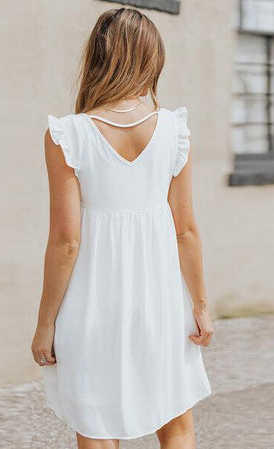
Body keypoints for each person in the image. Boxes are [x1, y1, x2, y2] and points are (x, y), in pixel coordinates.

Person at [31, 7, 214, 449]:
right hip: (162, 302)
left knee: (97, 428)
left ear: (98, 58)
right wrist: (201, 305)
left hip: (90, 303)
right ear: (152, 58)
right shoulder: (174, 131)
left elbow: (66, 240)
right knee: (176, 423)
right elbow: (185, 229)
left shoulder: (67, 135)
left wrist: (45, 323)